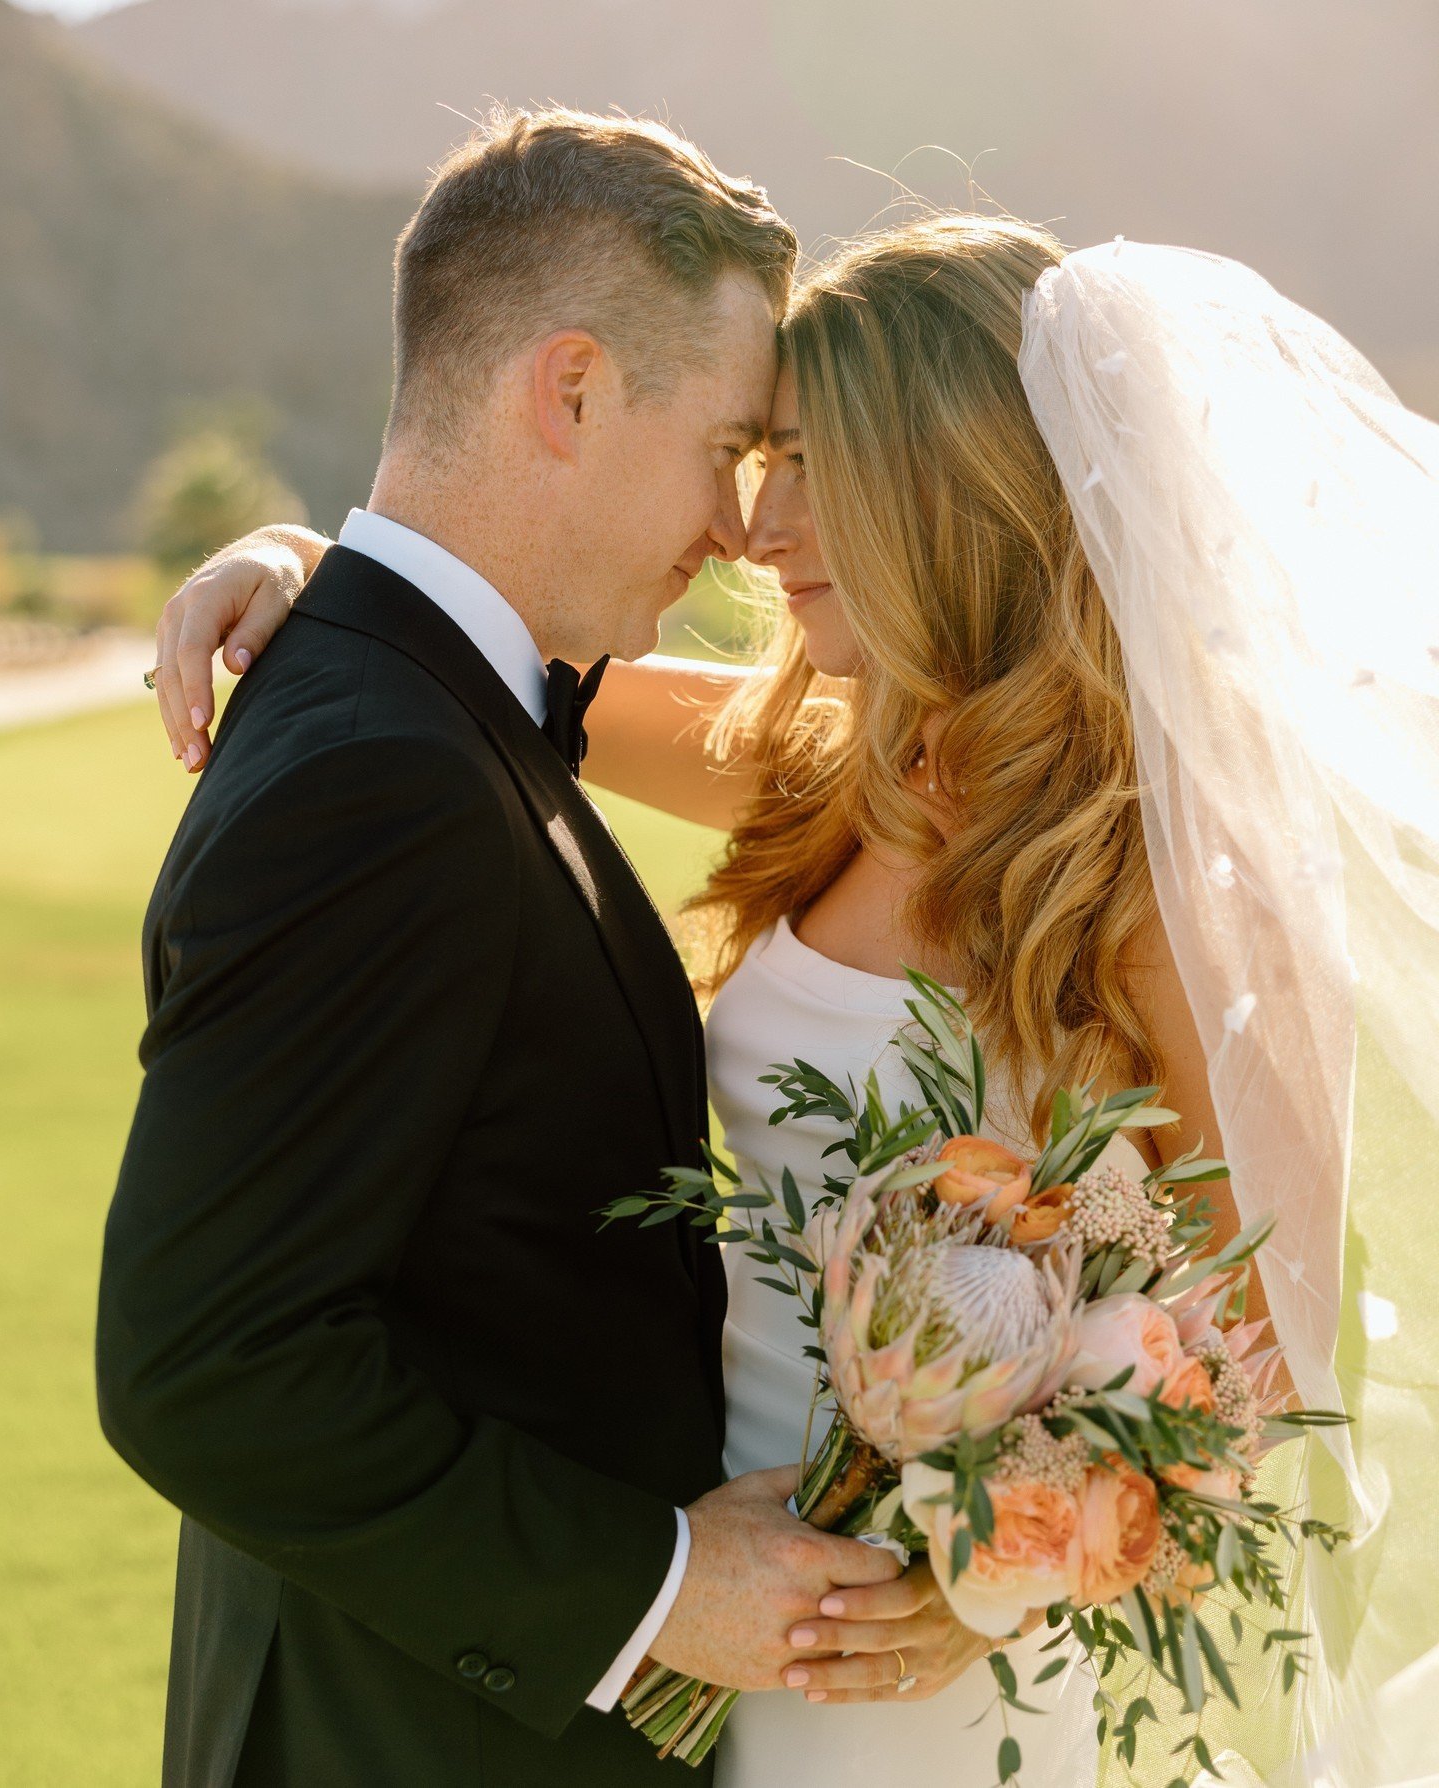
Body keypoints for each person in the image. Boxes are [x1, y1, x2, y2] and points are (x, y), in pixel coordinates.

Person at [144, 211, 1439, 1786]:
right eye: (759, 461)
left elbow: (1265, 1354)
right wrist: (297, 563)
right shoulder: (828, 771)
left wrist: (996, 1573)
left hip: (914, 1654)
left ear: (947, 486)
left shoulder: (1147, 872)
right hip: (696, 1589)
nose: (761, 529)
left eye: (814, 466)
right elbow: (481, 650)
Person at [96, 107, 917, 1788]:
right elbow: (204, 1369)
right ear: (571, 390)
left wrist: (306, 564)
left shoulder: (420, 697)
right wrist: (666, 1590)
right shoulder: (381, 770)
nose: (739, 526)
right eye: (731, 448)